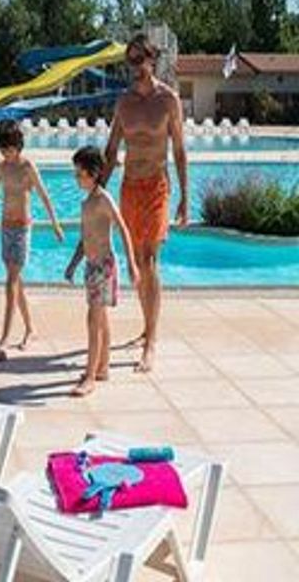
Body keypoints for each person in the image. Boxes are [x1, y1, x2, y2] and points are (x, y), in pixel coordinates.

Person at [98, 33, 187, 373]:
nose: (134, 66)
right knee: (136, 262)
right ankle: (147, 326)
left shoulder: (169, 100)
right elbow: (111, 150)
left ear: (152, 60)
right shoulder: (124, 103)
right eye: (130, 61)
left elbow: (179, 150)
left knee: (150, 260)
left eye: (139, 59)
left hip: (157, 186)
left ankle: (151, 341)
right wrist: (97, 190)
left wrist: (185, 197)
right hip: (130, 187)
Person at [0, 119, 64, 361]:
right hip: (5, 228)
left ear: (18, 145)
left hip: (22, 229)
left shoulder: (28, 167)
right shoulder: (0, 167)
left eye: (8, 149)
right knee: (16, 283)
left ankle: (4, 340)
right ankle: (30, 329)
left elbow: (44, 196)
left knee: (10, 283)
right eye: (2, 149)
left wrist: (55, 224)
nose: (5, 154)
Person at [68, 146, 140, 397]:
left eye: (80, 174)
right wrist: (73, 263)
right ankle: (102, 367)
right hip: (91, 266)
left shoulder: (103, 199)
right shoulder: (87, 203)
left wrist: (131, 263)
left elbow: (123, 229)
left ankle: (89, 377)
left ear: (94, 173)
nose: (76, 178)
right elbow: (84, 238)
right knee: (101, 319)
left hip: (104, 266)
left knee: (93, 319)